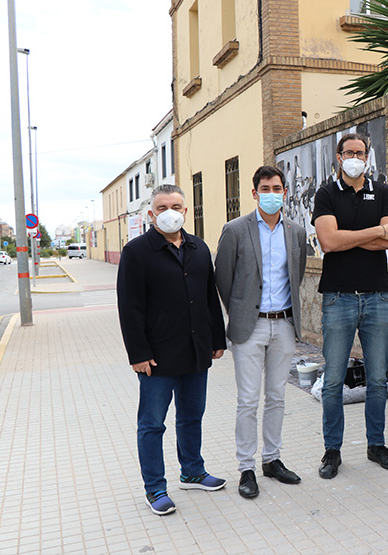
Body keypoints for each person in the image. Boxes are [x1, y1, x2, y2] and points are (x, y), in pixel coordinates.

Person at [117, 184, 227, 516]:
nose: (169, 212)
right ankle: (155, 489)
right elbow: (130, 307)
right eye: (162, 207)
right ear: (151, 214)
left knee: (192, 416)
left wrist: (217, 340)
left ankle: (192, 471)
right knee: (152, 424)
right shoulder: (136, 252)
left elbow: (210, 297)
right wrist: (137, 354)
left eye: (176, 206)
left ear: (185, 211)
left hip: (196, 351)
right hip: (157, 358)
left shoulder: (198, 248)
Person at [311, 132, 388, 479]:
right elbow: (329, 242)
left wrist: (352, 236)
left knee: (378, 379)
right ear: (338, 157)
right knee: (333, 380)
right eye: (348, 152)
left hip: (377, 296)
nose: (354, 156)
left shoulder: (383, 191)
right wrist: (372, 233)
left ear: (368, 156)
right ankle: (332, 451)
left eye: (360, 152)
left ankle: (375, 445)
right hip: (338, 297)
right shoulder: (325, 194)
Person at [215, 166, 307, 500]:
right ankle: (246, 467)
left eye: (277, 188)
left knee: (278, 396)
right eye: (265, 188)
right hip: (249, 327)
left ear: (285, 192)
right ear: (254, 193)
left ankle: (272, 460)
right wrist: (240, 310)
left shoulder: (296, 233)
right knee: (248, 400)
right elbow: (223, 277)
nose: (272, 193)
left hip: (283, 323)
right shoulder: (235, 230)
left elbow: (295, 276)